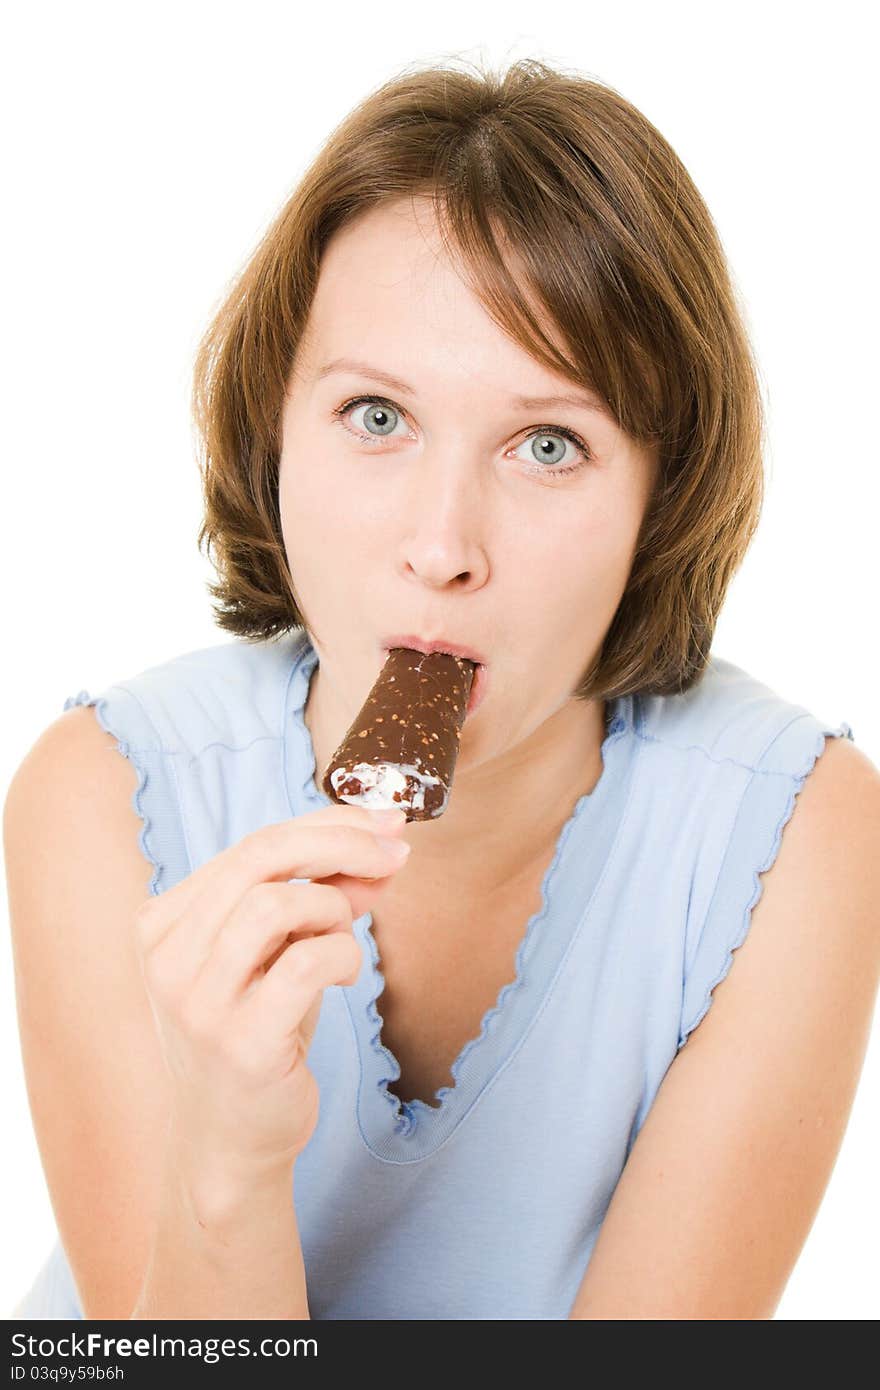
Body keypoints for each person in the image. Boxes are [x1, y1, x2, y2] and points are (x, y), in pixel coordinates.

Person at [5, 57, 879, 1322]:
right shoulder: (99, 796)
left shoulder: (801, 835)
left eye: (546, 445)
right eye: (375, 416)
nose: (442, 545)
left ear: (662, 494)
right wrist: (226, 1164)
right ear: (273, 431)